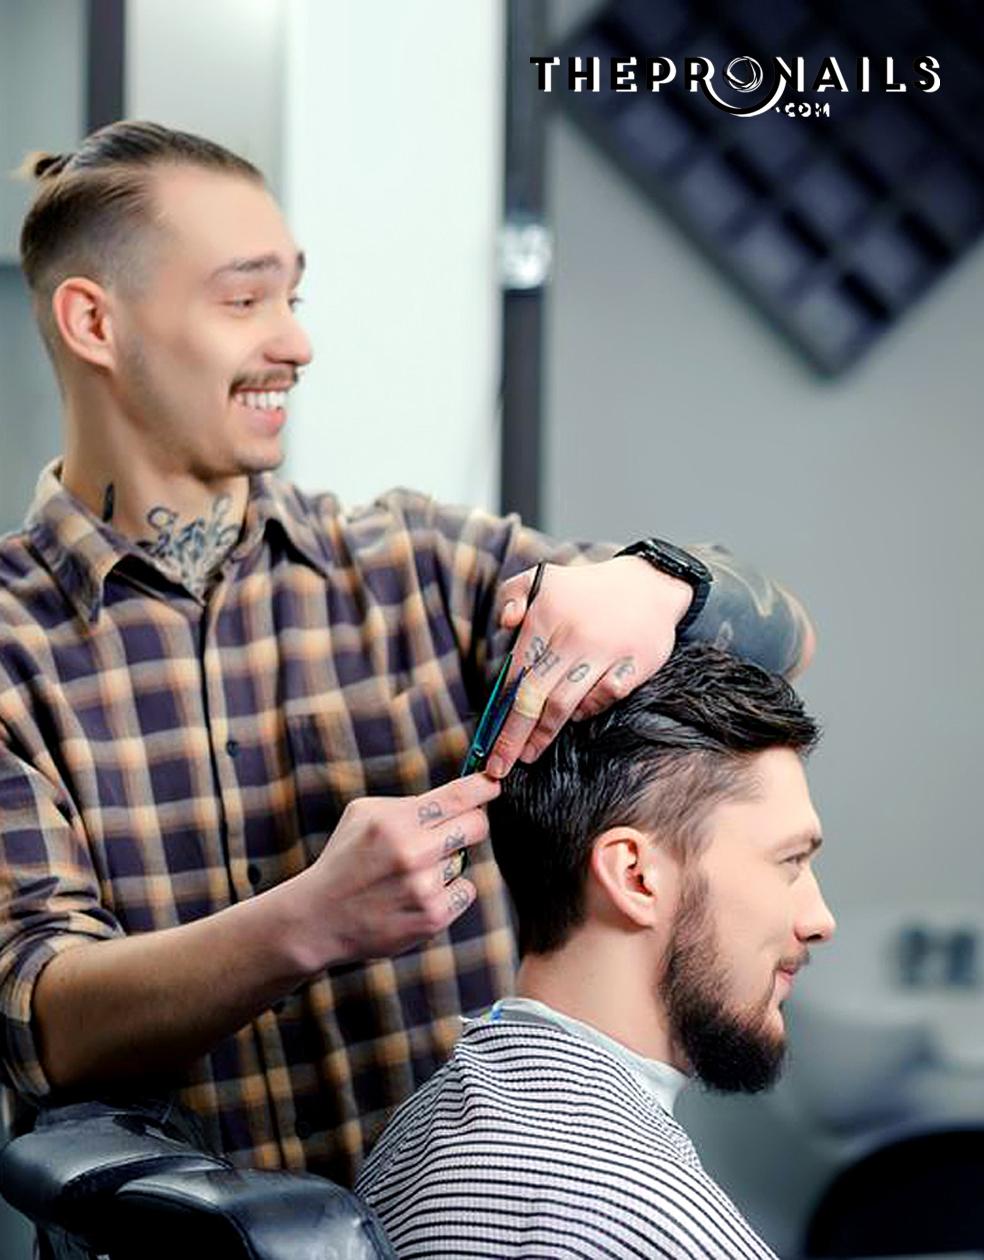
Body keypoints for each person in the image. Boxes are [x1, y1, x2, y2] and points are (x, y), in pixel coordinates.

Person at [0, 120, 815, 1188]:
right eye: (245, 301)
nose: (296, 344)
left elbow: (783, 641)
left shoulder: (420, 563)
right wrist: (306, 922)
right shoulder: (13, 649)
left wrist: (654, 582)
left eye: (295, 298)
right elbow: (39, 1021)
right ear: (93, 321)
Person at [356, 643, 835, 1258]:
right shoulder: (638, 1216)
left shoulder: (420, 1131)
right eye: (790, 862)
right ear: (635, 876)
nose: (820, 921)